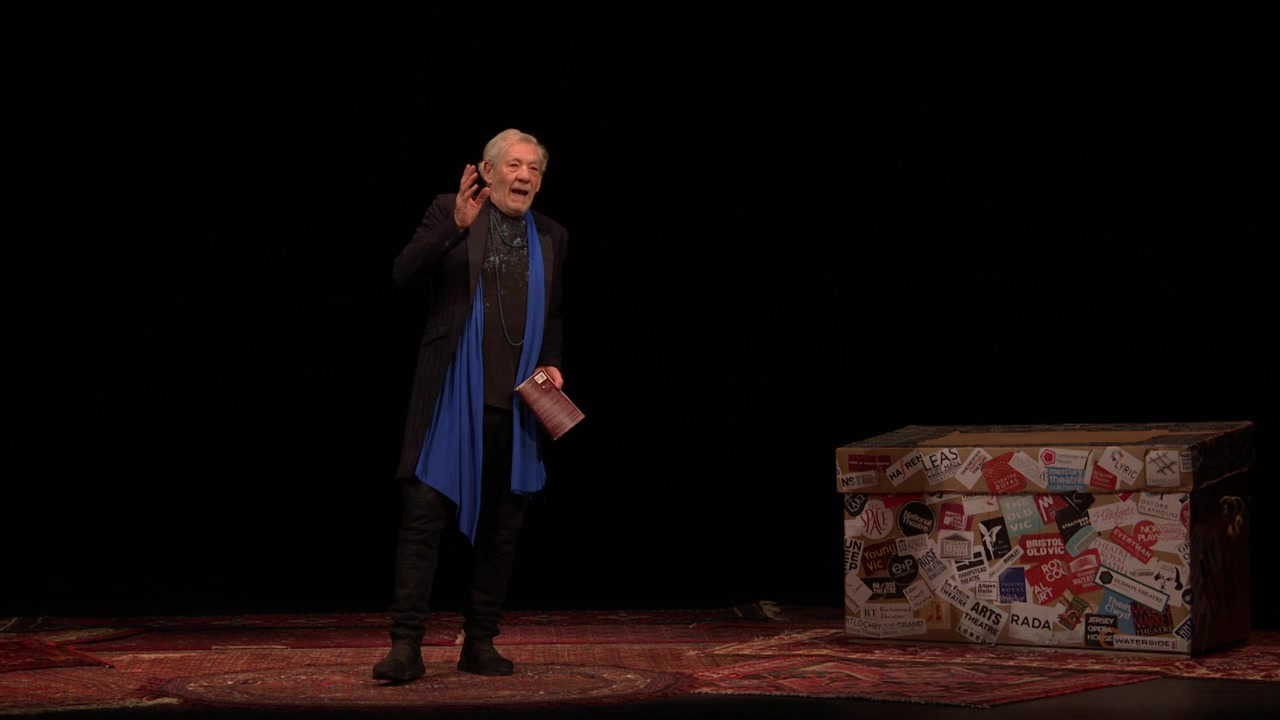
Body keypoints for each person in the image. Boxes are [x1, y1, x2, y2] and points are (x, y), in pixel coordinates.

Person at [373, 128, 569, 684]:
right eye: (513, 165)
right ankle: (406, 647)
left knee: (502, 530)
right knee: (422, 521)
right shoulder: (451, 210)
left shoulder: (552, 235)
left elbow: (553, 314)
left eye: (533, 168)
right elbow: (403, 274)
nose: (524, 176)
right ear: (487, 171)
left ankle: (479, 642)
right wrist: (453, 229)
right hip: (450, 398)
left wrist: (551, 361)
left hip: (517, 405)